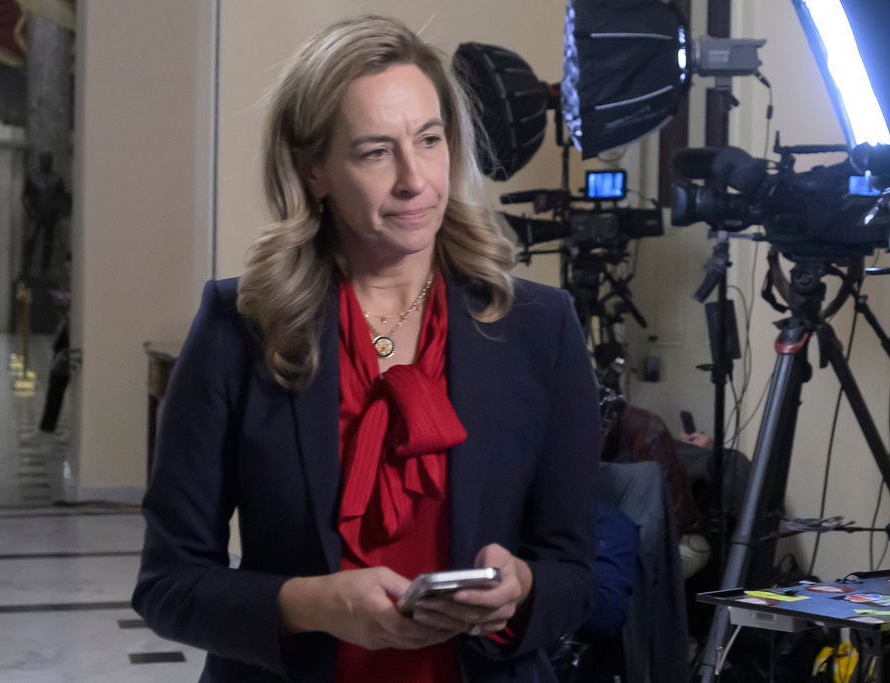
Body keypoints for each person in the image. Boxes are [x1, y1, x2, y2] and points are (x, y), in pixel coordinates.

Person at [132, 15, 601, 683]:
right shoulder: (237, 327)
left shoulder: (540, 327)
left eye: (430, 140)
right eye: (376, 151)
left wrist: (521, 587)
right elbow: (168, 583)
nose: (415, 179)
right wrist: (309, 604)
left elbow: (576, 574)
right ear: (313, 169)